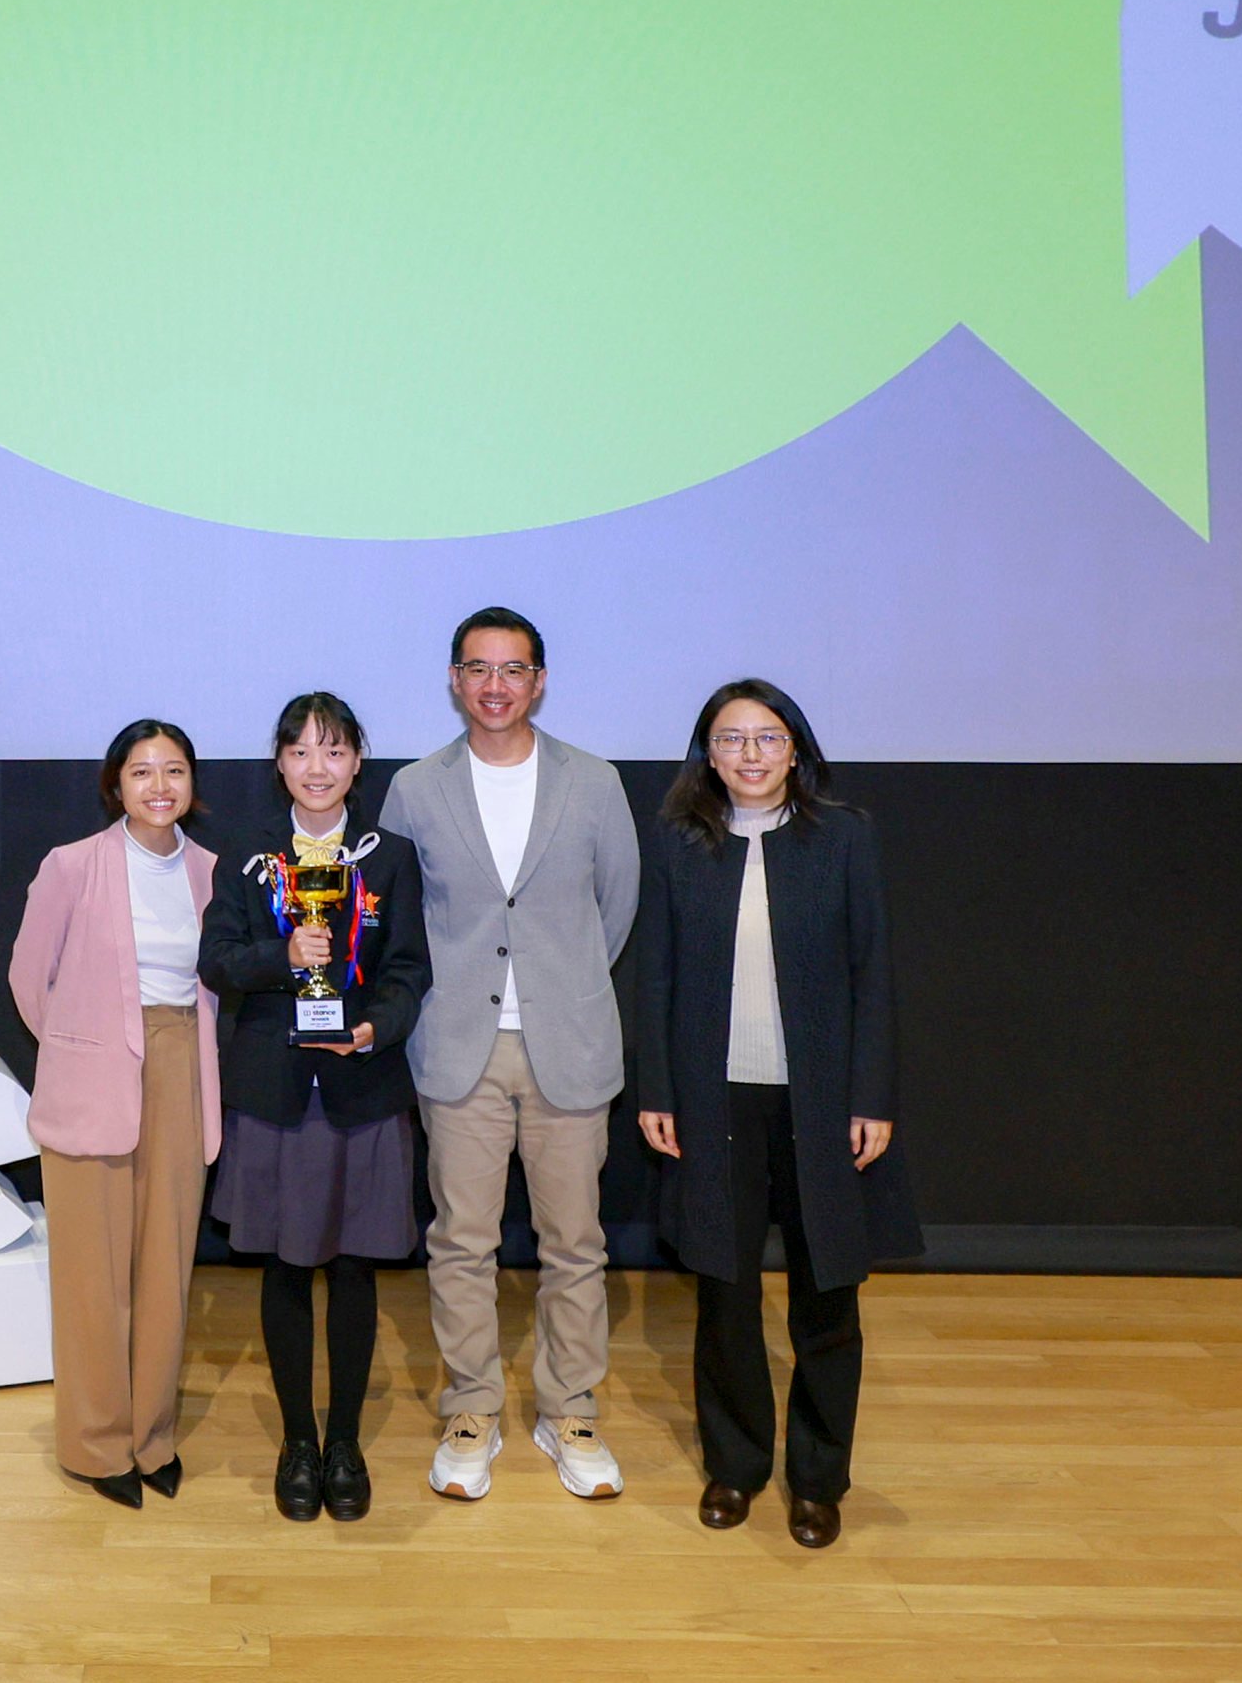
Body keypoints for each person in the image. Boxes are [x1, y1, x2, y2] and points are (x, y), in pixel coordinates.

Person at [630, 678, 920, 1550]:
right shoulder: (682, 843)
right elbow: (657, 975)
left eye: (765, 737)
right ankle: (736, 1466)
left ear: (794, 748)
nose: (749, 754)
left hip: (822, 1102)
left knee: (826, 1293)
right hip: (713, 1095)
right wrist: (658, 1090)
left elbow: (873, 974)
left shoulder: (843, 840)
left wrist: (870, 1096)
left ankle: (818, 1477)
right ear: (706, 755)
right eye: (730, 739)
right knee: (723, 1289)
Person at [382, 606, 640, 1502]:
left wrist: (555, 984)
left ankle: (569, 1409)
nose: (495, 685)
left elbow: (615, 907)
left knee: (575, 1244)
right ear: (454, 681)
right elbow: (399, 920)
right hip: (457, 1050)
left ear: (538, 681)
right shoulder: (415, 789)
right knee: (460, 1243)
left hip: (567, 1046)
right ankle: (472, 1409)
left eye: (513, 669)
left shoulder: (594, 782)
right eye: (477, 669)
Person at [198, 692, 429, 1522]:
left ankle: (345, 1442)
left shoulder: (391, 857)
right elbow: (217, 962)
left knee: (355, 1268)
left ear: (358, 762)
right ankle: (297, 1440)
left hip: (362, 1089)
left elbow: (409, 972)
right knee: (287, 1267)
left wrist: (372, 1029)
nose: (317, 768)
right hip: (276, 1088)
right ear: (280, 764)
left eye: (333, 752)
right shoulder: (246, 856)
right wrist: (280, 954)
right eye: (299, 752)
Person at [8, 718, 222, 1507]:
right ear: (115, 786)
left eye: (173, 771)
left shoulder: (211, 871)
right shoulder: (71, 866)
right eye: (141, 772)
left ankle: (151, 1436)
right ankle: (95, 1447)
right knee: (93, 1276)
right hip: (92, 1071)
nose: (159, 786)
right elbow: (30, 981)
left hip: (181, 1066)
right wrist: (81, 1044)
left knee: (164, 1266)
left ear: (192, 786)